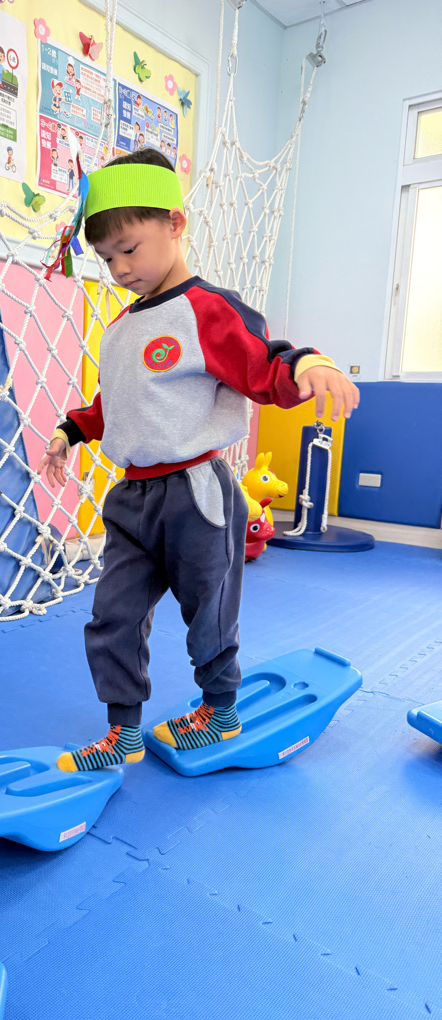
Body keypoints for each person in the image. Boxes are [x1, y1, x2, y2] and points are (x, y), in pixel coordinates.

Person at [38, 149, 359, 773]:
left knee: (207, 611)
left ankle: (220, 709)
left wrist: (309, 363)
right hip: (132, 499)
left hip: (195, 493)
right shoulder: (123, 327)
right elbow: (116, 403)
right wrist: (70, 431)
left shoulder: (207, 309)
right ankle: (122, 732)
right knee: (113, 615)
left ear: (175, 224)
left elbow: (265, 364)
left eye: (129, 249)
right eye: (106, 258)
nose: (119, 268)